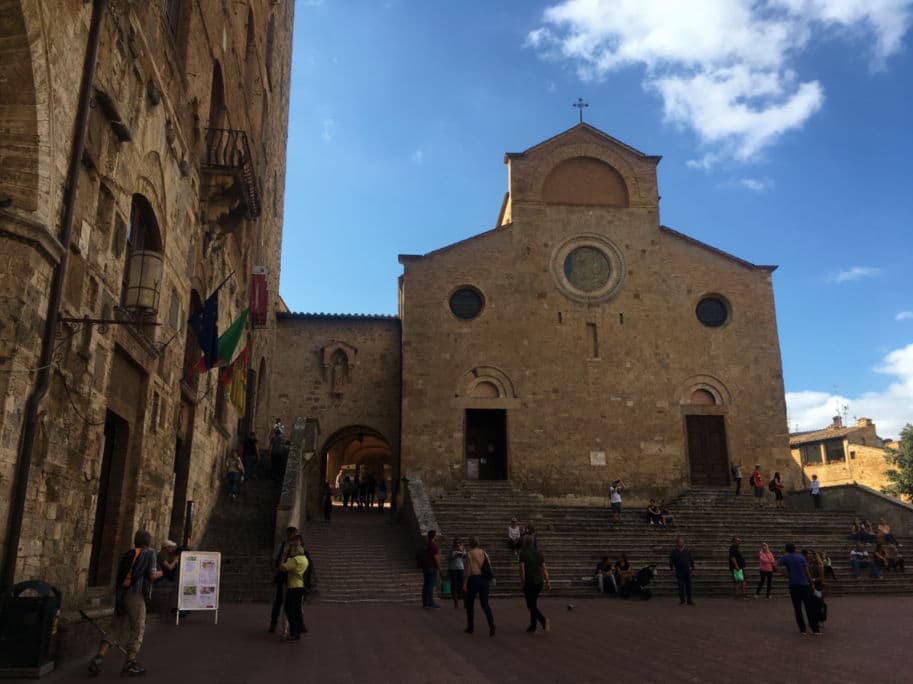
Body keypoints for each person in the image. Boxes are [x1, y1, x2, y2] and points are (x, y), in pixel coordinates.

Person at [88, 530, 162, 677]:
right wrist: (162, 573)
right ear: (148, 541)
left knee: (115, 627)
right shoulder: (149, 553)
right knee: (138, 628)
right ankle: (130, 663)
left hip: (122, 594)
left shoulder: (128, 553)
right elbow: (152, 575)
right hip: (136, 594)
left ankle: (99, 657)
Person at [775, 542, 820, 635]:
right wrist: (811, 583)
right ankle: (815, 629)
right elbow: (807, 572)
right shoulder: (801, 557)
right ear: (795, 549)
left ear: (786, 549)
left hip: (793, 585)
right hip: (804, 584)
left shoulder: (786, 557)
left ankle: (802, 629)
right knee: (809, 607)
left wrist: (785, 574)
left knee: (797, 607)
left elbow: (775, 565)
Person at [463, 536, 496, 636]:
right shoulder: (484, 553)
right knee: (485, 603)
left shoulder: (469, 554)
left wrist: (464, 583)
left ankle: (471, 626)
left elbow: (468, 570)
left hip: (473, 579)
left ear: (470, 543)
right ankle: (491, 623)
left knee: (470, 604)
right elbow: (489, 566)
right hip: (484, 579)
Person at [518, 535, 550, 634]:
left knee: (530, 604)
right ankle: (533, 625)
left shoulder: (522, 553)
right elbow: (544, 568)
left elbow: (522, 569)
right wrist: (548, 581)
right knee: (533, 602)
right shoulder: (539, 553)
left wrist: (522, 581)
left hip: (530, 581)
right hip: (539, 581)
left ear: (525, 543)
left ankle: (543, 620)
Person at [278, 539, 309, 641]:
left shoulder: (295, 560)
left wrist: (283, 558)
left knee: (288, 609)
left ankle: (294, 630)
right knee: (297, 610)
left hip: (293, 587)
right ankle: (298, 630)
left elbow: (282, 567)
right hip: (300, 586)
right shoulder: (304, 559)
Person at [269, 526, 298, 633]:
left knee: (289, 602)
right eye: (292, 535)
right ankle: (274, 623)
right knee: (279, 601)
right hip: (283, 577)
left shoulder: (297, 547)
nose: (293, 537)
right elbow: (274, 560)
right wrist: (276, 571)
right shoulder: (282, 546)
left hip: (292, 578)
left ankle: (288, 627)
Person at [669, 537, 695, 605]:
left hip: (687, 570)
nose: (681, 543)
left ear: (684, 543)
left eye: (682, 542)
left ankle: (689, 600)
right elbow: (671, 561)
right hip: (679, 571)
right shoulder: (674, 552)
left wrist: (693, 568)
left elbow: (691, 559)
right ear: (677, 543)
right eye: (679, 542)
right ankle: (682, 600)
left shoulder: (687, 551)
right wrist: (672, 569)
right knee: (681, 586)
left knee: (688, 586)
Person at [421, 529, 441, 608]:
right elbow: (436, 557)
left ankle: (425, 602)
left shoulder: (426, 544)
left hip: (426, 566)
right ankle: (430, 602)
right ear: (434, 536)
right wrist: (439, 567)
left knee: (426, 585)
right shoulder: (433, 545)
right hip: (431, 567)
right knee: (430, 585)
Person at [447, 538, 465, 609]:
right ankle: (456, 603)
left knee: (463, 585)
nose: (457, 545)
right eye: (456, 544)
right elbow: (447, 559)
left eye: (458, 544)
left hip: (461, 568)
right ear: (454, 544)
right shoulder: (450, 550)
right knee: (454, 585)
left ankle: (465, 602)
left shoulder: (462, 549)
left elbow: (466, 558)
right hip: (452, 569)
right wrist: (454, 556)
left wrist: (462, 554)